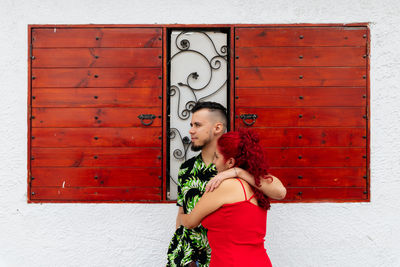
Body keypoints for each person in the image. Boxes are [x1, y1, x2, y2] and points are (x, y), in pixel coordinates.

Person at [166, 101, 286, 267]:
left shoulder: (236, 168)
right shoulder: (187, 169)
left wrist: (238, 172)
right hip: (192, 259)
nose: (191, 130)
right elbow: (182, 212)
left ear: (217, 128)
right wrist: (179, 254)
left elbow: (280, 191)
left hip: (222, 259)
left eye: (198, 125)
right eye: (191, 124)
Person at [178, 129, 273, 266]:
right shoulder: (258, 184)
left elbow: (190, 222)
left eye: (216, 157)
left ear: (230, 162)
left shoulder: (225, 186)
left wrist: (182, 213)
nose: (213, 163)